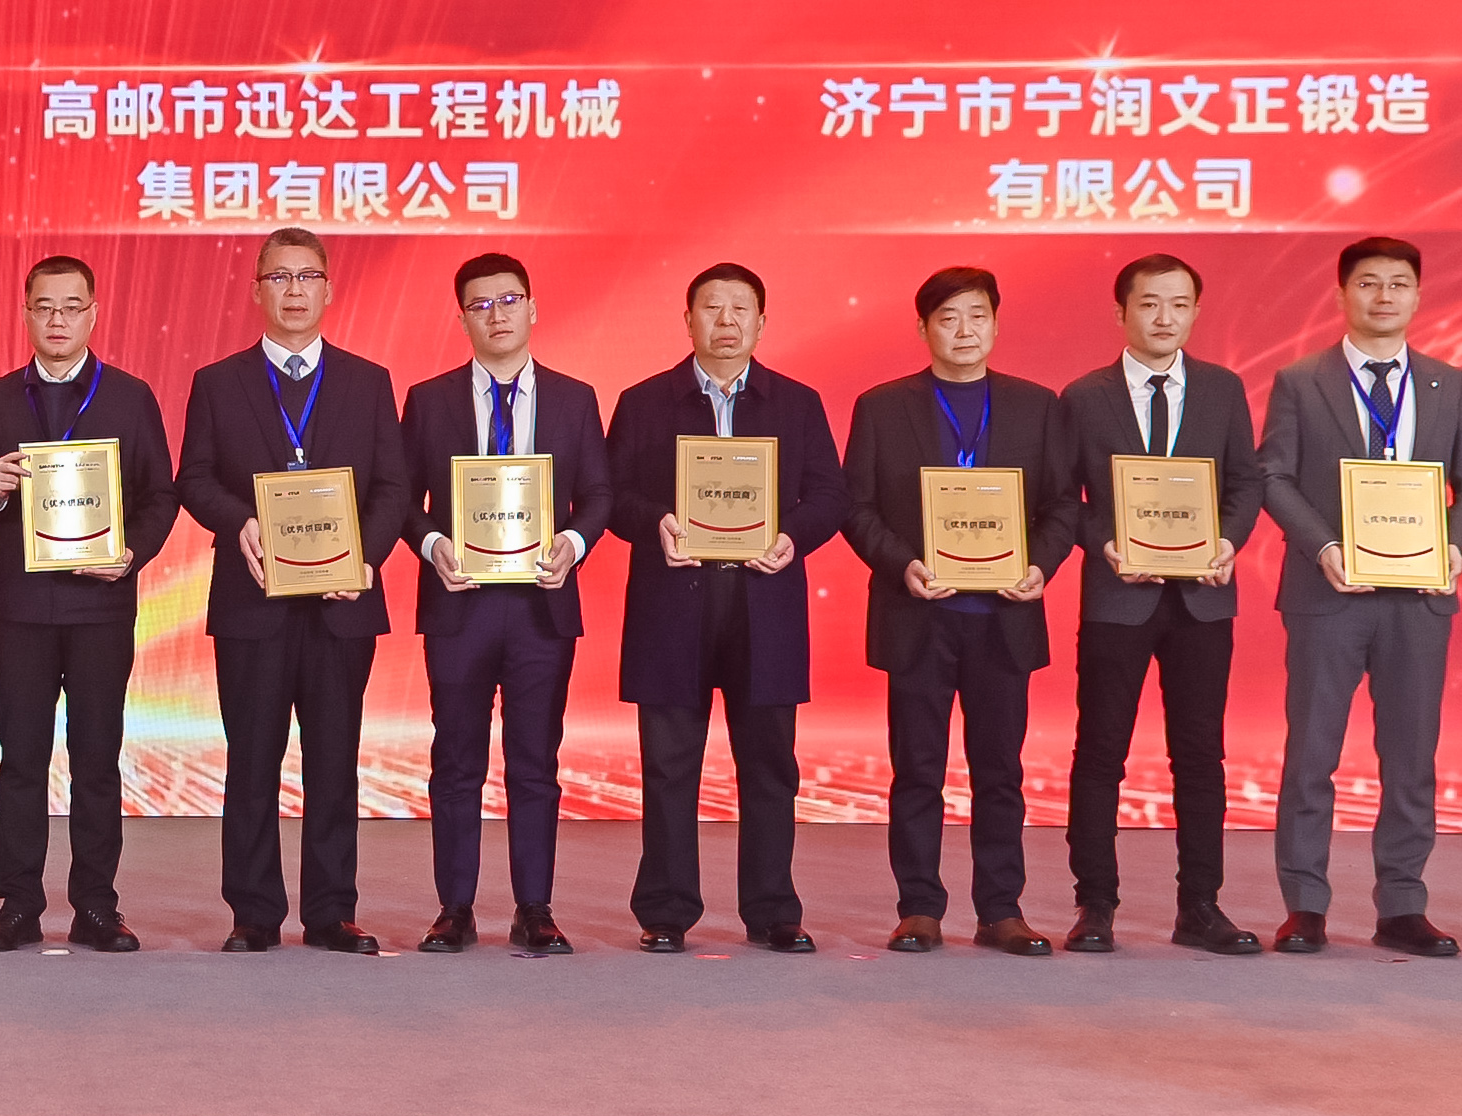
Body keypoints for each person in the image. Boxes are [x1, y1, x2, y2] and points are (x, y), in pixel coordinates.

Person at [1256, 235, 1462, 958]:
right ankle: (1305, 904)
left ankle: (1402, 905)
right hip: (1329, 591)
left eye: (1398, 283)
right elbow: (1273, 475)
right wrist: (1324, 547)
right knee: (1312, 754)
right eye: (1368, 282)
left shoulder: (1447, 383)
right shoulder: (1301, 380)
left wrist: (1453, 546)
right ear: (1342, 294)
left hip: (1418, 598)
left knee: (1411, 756)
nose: (1384, 295)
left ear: (1418, 295)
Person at [173, 228, 411, 954]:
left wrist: (365, 558)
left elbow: (394, 487)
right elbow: (193, 479)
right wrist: (239, 520)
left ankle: (332, 911)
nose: (295, 290)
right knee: (251, 761)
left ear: (329, 289)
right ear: (257, 291)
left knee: (335, 761)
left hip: (343, 605)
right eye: (279, 277)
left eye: (307, 276)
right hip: (253, 603)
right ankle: (253, 912)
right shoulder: (219, 382)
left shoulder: (368, 381)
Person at [606, 262, 847, 951]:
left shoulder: (796, 402)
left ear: (762, 323)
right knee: (669, 764)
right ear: (688, 320)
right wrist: (655, 522)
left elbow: (830, 496)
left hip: (763, 602)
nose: (726, 320)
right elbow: (610, 495)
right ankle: (666, 909)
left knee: (770, 763)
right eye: (712, 307)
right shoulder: (643, 401)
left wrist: (792, 535)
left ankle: (773, 909)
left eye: (741, 308)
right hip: (672, 603)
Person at [841, 267, 1077, 955]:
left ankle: (1001, 909)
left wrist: (1040, 565)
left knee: (1000, 771)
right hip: (919, 613)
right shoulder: (882, 406)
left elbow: (1064, 504)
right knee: (917, 769)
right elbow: (856, 506)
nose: (964, 330)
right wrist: (902, 564)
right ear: (923, 329)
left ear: (996, 324)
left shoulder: (1037, 405)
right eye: (948, 317)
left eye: (977, 315)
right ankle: (919, 906)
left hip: (1003, 617)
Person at [0, 254, 179, 953]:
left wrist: (130, 552)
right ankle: (18, 904)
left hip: (101, 607)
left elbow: (160, 496)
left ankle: (96, 905)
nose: (58, 319)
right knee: (21, 758)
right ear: (25, 314)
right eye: (44, 306)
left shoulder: (130, 396)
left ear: (93, 314)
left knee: (96, 758)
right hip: (22, 608)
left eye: (71, 306)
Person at [1056, 254, 1270, 955]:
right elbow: (1063, 497)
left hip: (1203, 599)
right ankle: (1095, 903)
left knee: (1201, 755)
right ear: (1121, 312)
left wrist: (1228, 540)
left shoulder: (1222, 387)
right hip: (1118, 596)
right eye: (1149, 303)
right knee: (1101, 752)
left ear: (1196, 311)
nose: (1164, 317)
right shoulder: (1083, 396)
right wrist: (1104, 544)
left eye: (1179, 304)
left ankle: (1200, 905)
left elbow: (1245, 481)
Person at [398, 252, 609, 955]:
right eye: (481, 304)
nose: (497, 314)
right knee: (456, 759)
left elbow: (599, 494)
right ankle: (454, 908)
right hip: (459, 604)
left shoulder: (576, 398)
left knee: (535, 760)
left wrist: (573, 542)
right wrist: (433, 544)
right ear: (462, 317)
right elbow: (401, 497)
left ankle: (534, 908)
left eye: (510, 299)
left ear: (533, 307)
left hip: (541, 607)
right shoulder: (428, 400)